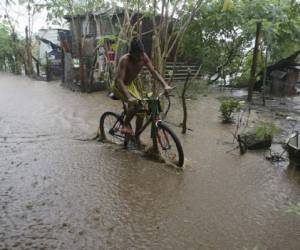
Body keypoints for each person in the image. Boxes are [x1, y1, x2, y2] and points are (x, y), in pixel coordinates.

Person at [113, 38, 172, 146]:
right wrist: (129, 97)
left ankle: (137, 137)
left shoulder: (143, 57)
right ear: (131, 53)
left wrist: (165, 85)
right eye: (137, 55)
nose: (140, 57)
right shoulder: (125, 60)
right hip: (119, 87)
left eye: (141, 54)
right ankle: (125, 124)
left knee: (141, 112)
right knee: (136, 106)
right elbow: (120, 81)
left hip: (130, 85)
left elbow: (153, 72)